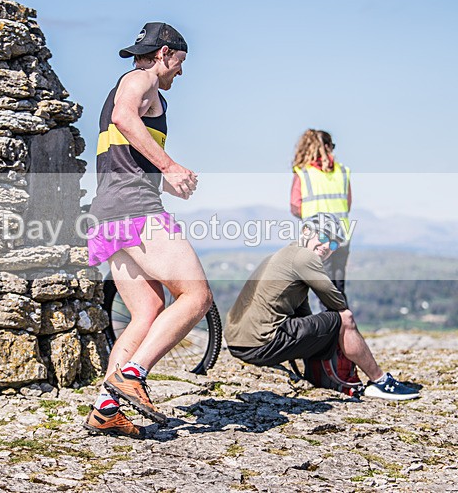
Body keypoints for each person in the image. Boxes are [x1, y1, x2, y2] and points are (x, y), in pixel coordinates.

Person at [82, 22, 213, 437]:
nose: (181, 72)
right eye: (180, 62)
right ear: (164, 54)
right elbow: (124, 116)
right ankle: (132, 374)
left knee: (145, 313)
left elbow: (120, 121)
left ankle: (106, 409)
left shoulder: (133, 83)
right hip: (135, 209)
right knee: (196, 295)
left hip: (106, 213)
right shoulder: (140, 79)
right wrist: (170, 166)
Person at [224, 213, 420, 401]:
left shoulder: (284, 255)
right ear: (306, 231)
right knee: (344, 319)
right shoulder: (304, 257)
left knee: (324, 324)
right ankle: (380, 382)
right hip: (261, 344)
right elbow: (338, 304)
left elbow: (303, 314)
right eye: (324, 236)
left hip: (238, 344)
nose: (327, 246)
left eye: (333, 243)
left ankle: (322, 376)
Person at [291, 129, 352, 299]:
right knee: (338, 288)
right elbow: (347, 204)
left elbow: (295, 206)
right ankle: (342, 323)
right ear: (326, 147)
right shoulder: (342, 172)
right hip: (342, 237)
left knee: (324, 290)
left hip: (317, 239)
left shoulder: (303, 173)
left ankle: (333, 325)